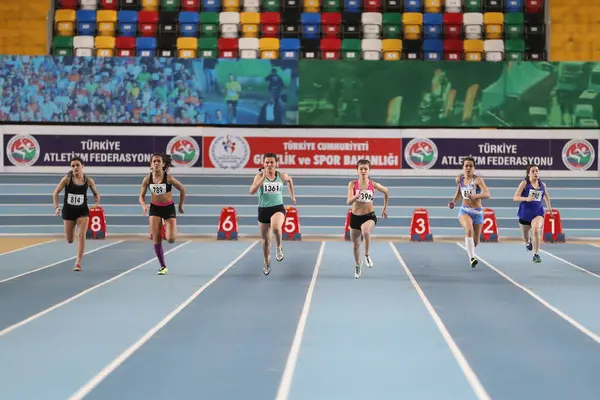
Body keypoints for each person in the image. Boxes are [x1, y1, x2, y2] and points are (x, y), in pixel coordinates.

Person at [139, 153, 186, 275]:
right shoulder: (147, 179)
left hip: (168, 208)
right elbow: (141, 196)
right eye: (154, 161)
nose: (156, 163)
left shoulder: (168, 178)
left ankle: (163, 228)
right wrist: (144, 205)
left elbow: (182, 189)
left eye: (159, 161)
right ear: (151, 164)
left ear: (163, 164)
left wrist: (180, 205)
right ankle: (163, 266)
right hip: (155, 209)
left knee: (171, 239)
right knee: (156, 238)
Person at [249, 153, 296, 276]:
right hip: (263, 210)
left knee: (276, 228)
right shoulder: (259, 176)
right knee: (265, 240)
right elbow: (251, 191)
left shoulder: (281, 176)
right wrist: (262, 179)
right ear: (263, 164)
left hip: (277, 208)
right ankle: (266, 261)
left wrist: (292, 195)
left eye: (271, 162)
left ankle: (279, 247)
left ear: (276, 164)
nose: (269, 164)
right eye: (267, 162)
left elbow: (290, 180)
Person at [52, 156, 100, 272]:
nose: (75, 167)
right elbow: (55, 193)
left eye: (77, 165)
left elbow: (95, 193)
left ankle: (78, 262)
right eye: (73, 166)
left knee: (82, 235)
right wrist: (57, 207)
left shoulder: (88, 180)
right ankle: (71, 230)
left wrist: (96, 198)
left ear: (82, 166)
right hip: (68, 212)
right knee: (70, 239)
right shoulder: (67, 179)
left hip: (82, 211)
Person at [346, 159, 389, 279]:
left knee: (366, 232)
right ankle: (358, 264)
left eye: (366, 169)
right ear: (357, 171)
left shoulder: (373, 184)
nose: (363, 171)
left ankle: (367, 255)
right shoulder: (352, 184)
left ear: (369, 171)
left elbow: (386, 191)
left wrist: (385, 208)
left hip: (369, 216)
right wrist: (356, 195)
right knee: (355, 245)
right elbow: (348, 201)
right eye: (361, 169)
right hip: (355, 217)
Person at [448, 157, 491, 268]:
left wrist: (476, 196)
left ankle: (470, 246)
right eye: (466, 165)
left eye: (470, 166)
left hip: (477, 213)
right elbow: (459, 191)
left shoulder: (477, 180)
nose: (468, 168)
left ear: (473, 168)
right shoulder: (460, 180)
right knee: (469, 229)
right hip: (465, 210)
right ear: (463, 167)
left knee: (476, 241)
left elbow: (487, 194)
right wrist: (453, 201)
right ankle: (472, 258)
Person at [513, 164, 554, 263]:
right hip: (525, 214)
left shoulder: (542, 185)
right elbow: (515, 197)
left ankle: (536, 254)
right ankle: (528, 242)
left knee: (536, 230)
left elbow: (546, 196)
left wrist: (549, 208)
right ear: (528, 173)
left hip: (538, 213)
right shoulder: (524, 183)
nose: (535, 173)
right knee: (525, 238)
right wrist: (526, 199)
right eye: (533, 171)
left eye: (537, 171)